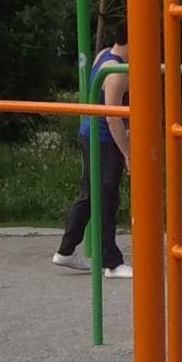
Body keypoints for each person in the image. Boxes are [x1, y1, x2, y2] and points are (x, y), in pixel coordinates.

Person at [54, 37, 132, 278]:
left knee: (90, 195)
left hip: (91, 134)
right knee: (106, 198)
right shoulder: (116, 71)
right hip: (105, 139)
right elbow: (113, 118)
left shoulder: (104, 54)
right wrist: (128, 154)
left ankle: (65, 251)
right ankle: (111, 262)